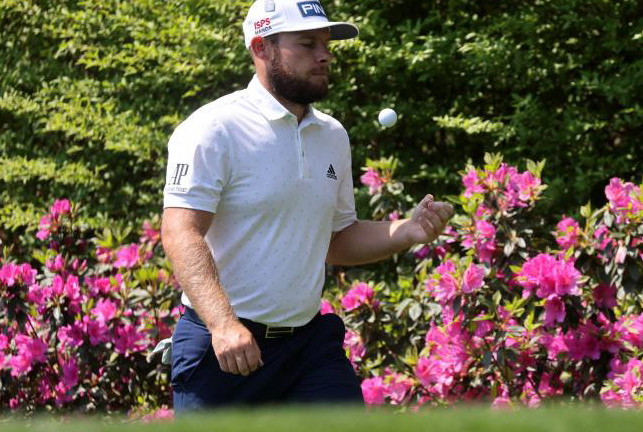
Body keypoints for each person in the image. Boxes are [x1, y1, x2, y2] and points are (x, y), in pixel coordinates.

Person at [161, 0, 454, 412]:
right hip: (224, 347)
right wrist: (222, 323)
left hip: (309, 346)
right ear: (261, 47)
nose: (324, 55)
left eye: (326, 43)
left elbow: (336, 240)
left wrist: (407, 231)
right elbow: (180, 232)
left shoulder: (332, 135)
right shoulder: (213, 129)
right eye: (307, 44)